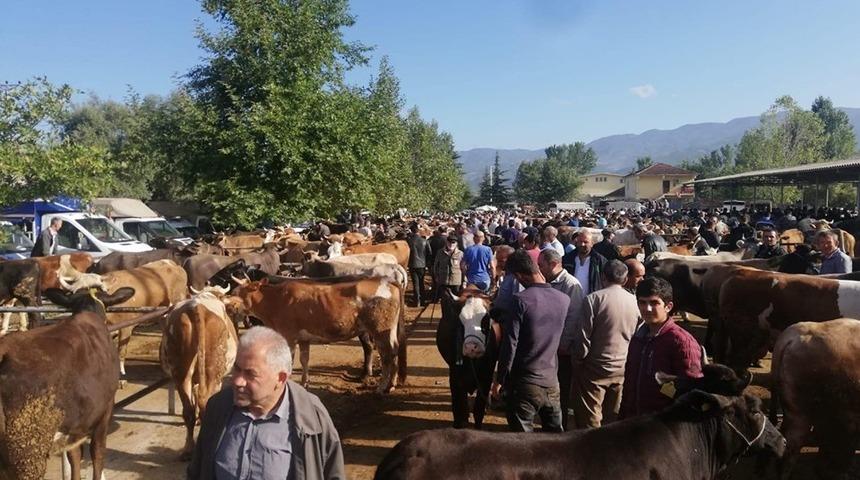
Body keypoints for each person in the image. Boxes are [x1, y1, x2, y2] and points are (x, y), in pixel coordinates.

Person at [188, 327, 345, 480]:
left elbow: (333, 473)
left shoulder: (311, 417)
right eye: (236, 369)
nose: (237, 381)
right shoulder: (218, 407)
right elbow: (197, 470)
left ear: (280, 378)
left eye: (250, 374)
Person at [491, 250, 570, 432]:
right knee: (555, 438)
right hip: (551, 381)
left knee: (523, 443)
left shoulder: (520, 301)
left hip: (525, 383)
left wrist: (500, 379)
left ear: (519, 275)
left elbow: (510, 344)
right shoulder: (564, 299)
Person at [566, 260, 640, 429]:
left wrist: (578, 362)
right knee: (613, 416)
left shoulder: (593, 299)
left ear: (602, 277)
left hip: (595, 367)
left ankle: (592, 451)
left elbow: (583, 337)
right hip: (622, 366)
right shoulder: (635, 302)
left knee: (589, 417)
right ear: (626, 278)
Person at [619, 278, 703, 419]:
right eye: (642, 302)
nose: (647, 308)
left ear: (668, 306)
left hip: (663, 427)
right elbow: (629, 385)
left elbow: (691, 391)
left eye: (654, 303)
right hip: (633, 423)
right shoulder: (638, 338)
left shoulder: (682, 342)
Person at [537, 249, 585, 431]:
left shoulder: (571, 285)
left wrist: (562, 345)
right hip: (550, 348)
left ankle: (560, 428)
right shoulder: (548, 282)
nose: (539, 268)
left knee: (561, 392)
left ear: (553, 264)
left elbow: (574, 318)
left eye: (541, 265)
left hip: (561, 351)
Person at [407, 225, 433, 306]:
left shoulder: (409, 241)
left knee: (415, 283)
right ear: (418, 231)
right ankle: (423, 300)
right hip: (422, 264)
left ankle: (417, 300)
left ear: (411, 231)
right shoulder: (424, 241)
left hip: (412, 264)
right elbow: (429, 253)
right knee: (421, 282)